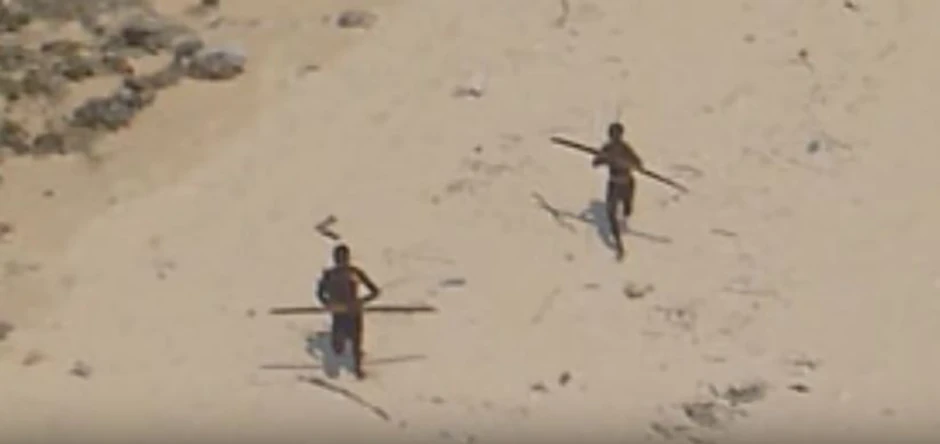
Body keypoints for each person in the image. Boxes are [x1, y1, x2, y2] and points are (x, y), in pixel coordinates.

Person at [316, 244, 381, 379]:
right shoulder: (329, 275)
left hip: (354, 313)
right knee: (338, 347)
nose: (341, 261)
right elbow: (320, 294)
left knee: (356, 343)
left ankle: (357, 369)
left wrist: (361, 301)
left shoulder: (355, 272)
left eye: (343, 258)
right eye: (338, 258)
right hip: (339, 314)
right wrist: (329, 304)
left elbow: (375, 291)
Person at [591, 122, 644, 261]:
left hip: (627, 184)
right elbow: (595, 163)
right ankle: (619, 244)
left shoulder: (626, 149)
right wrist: (603, 158)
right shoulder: (607, 148)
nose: (614, 137)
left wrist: (633, 164)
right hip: (614, 184)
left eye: (617, 134)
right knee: (611, 213)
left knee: (627, 208)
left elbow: (638, 163)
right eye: (612, 134)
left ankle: (624, 221)